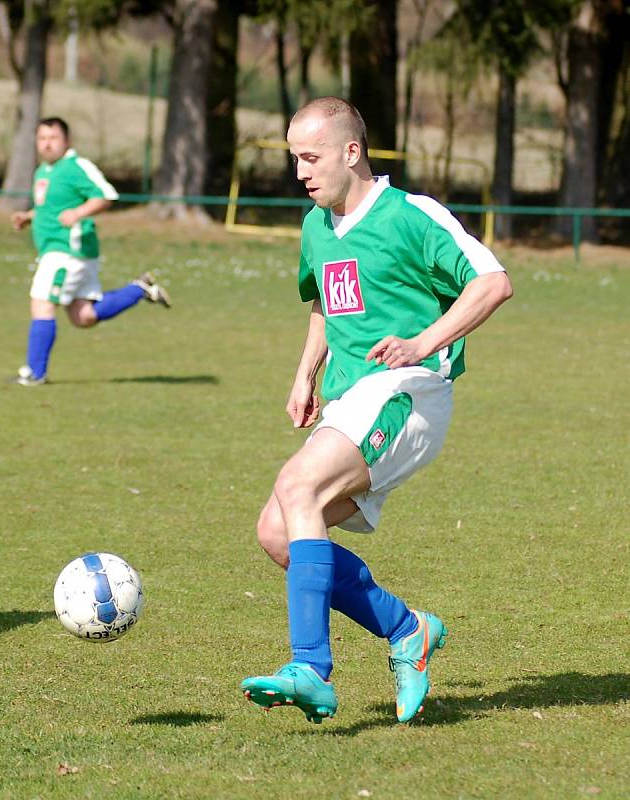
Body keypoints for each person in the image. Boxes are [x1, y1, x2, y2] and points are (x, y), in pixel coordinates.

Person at [240, 97, 513, 724]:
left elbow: (493, 282)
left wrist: (423, 342)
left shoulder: (411, 215)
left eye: (311, 158)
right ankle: (407, 630)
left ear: (351, 152)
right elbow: (323, 307)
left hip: (409, 391)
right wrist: (306, 372)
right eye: (294, 160)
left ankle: (310, 667)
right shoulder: (316, 226)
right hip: (354, 397)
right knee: (278, 531)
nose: (301, 172)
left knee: (297, 485)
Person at [11, 117, 170, 385]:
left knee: (42, 302)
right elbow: (52, 207)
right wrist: (30, 216)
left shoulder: (76, 166)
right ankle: (139, 288)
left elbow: (106, 194)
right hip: (63, 252)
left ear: (67, 141)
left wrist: (79, 212)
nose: (47, 144)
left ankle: (35, 373)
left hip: (67, 251)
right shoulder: (44, 171)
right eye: (42, 139)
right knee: (84, 316)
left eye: (53, 138)